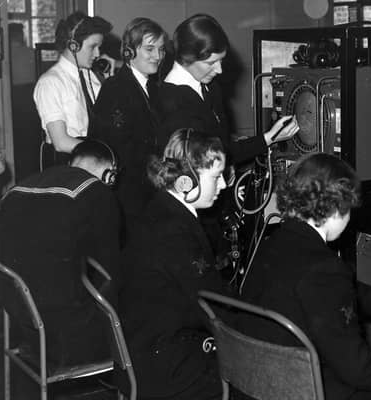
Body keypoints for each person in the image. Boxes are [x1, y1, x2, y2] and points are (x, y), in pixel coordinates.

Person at [239, 152, 371, 400]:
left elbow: (337, 292)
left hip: (261, 379)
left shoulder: (274, 244)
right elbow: (355, 368)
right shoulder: (324, 269)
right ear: (335, 209)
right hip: (309, 389)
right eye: (348, 209)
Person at [117, 128, 230, 399]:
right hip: (169, 369)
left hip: (143, 351)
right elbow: (212, 305)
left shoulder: (159, 209)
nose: (224, 185)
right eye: (216, 176)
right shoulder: (176, 231)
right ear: (185, 183)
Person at [0, 139, 120, 367]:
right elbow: (110, 271)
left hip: (27, 331)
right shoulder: (95, 191)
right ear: (109, 175)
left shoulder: (17, 190)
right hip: (69, 342)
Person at [161, 13, 299, 166]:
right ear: (187, 58)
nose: (219, 70)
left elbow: (225, 149)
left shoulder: (210, 87)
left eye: (220, 61)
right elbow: (196, 167)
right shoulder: (171, 101)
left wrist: (271, 136)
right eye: (211, 62)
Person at [90, 17, 168, 242]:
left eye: (161, 50)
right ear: (129, 52)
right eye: (150, 49)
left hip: (146, 192)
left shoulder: (151, 86)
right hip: (127, 199)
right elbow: (119, 148)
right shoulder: (116, 89)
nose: (157, 56)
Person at [33, 11, 113, 167]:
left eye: (99, 47)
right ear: (73, 46)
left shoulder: (93, 77)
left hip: (94, 160)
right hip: (66, 165)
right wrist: (104, 153)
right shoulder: (51, 82)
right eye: (93, 47)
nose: (98, 54)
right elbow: (61, 142)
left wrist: (110, 81)